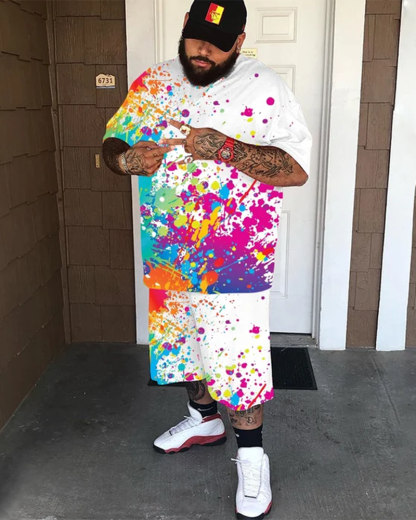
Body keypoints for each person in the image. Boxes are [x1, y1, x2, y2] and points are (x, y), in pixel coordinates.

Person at [102, 0, 311, 517]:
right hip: (169, 254)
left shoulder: (265, 88)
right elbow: (112, 141)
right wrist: (125, 159)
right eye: (196, 37)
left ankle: (253, 457)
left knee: (238, 364)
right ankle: (204, 420)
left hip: (235, 262)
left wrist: (226, 149)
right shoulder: (155, 82)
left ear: (238, 42)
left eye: (217, 44)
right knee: (184, 350)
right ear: (184, 28)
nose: (202, 50)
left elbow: (295, 170)